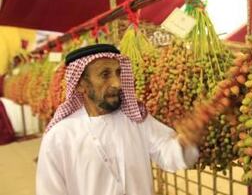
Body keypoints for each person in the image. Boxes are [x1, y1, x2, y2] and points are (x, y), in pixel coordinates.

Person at [36, 44, 204, 195]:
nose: (117, 83)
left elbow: (168, 154)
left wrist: (185, 141)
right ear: (81, 85)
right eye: (105, 74)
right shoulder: (59, 137)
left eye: (118, 73)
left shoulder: (136, 118)